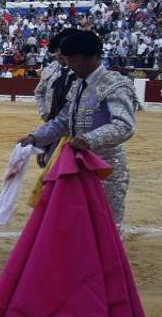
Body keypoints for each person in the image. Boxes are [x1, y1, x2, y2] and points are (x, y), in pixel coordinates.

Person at [18, 30, 137, 235]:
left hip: (106, 169)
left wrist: (89, 139)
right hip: (78, 166)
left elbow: (124, 125)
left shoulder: (114, 85)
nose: (70, 66)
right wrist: (36, 137)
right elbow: (63, 120)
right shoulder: (79, 85)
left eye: (74, 60)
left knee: (106, 227)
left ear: (93, 58)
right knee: (78, 226)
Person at [32, 28, 76, 167]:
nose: (58, 54)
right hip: (54, 126)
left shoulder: (83, 73)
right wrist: (45, 114)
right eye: (56, 51)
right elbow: (39, 93)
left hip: (77, 133)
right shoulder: (50, 70)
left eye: (61, 51)